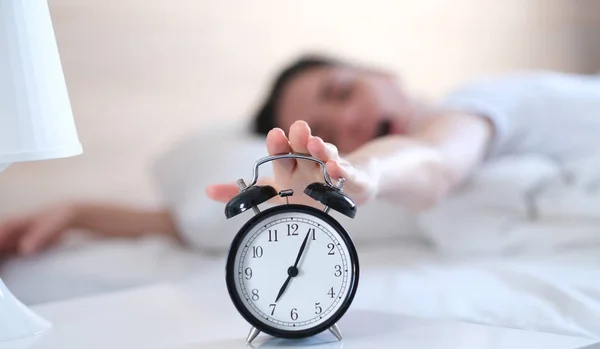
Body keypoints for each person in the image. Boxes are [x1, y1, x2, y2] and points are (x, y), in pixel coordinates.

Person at [1, 55, 599, 256]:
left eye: (343, 93)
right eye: (333, 127)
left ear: (382, 73)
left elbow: (436, 165)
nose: (351, 121)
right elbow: (200, 224)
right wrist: (77, 211)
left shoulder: (478, 103)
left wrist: (366, 173)